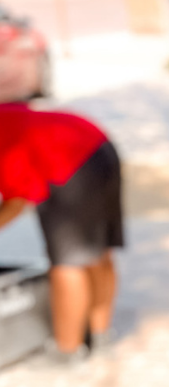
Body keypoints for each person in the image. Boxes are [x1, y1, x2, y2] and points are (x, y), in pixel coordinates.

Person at [0, 102, 123, 361]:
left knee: (68, 262)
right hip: (99, 147)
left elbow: (16, 202)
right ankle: (100, 338)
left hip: (67, 165)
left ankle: (67, 353)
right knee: (98, 253)